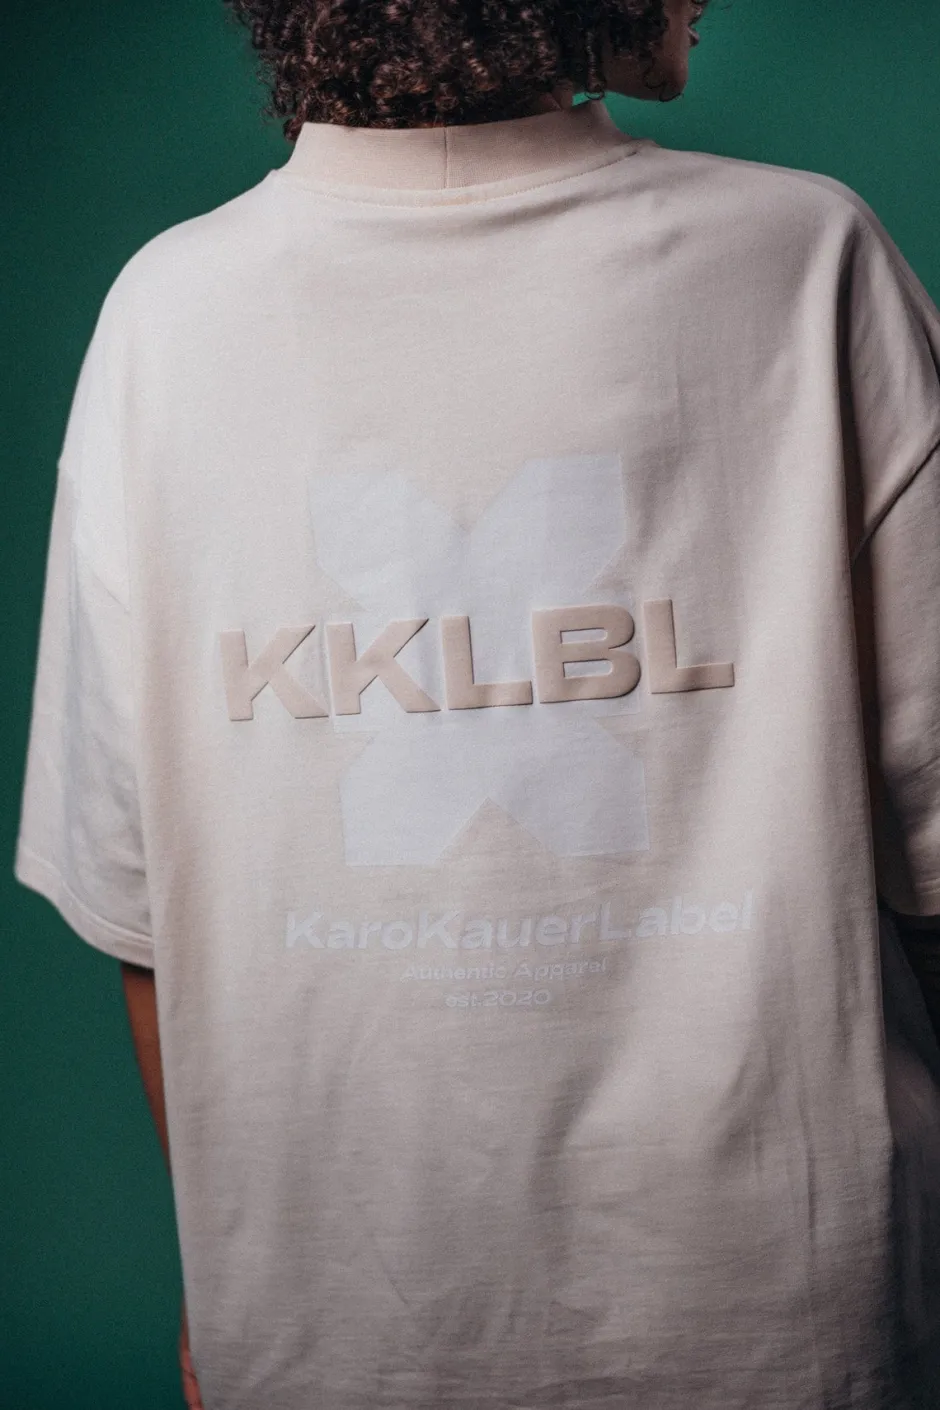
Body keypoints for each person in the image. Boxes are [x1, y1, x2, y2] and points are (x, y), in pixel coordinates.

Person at [13, 0, 940, 1403]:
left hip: (340, 1322)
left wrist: (231, 1269)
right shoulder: (809, 260)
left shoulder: (165, 315)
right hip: (789, 1306)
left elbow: (141, 909)